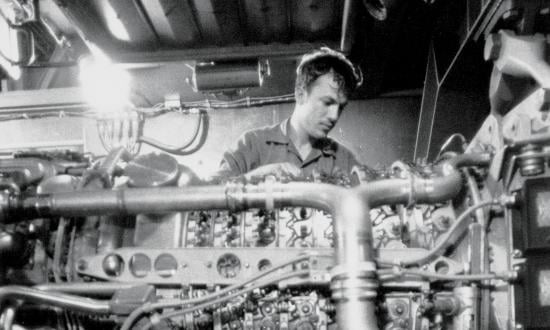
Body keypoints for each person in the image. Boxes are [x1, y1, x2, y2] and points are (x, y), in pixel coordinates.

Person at [219, 47, 363, 180]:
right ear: (300, 93)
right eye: (327, 102)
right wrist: (256, 177)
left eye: (341, 108)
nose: (334, 116)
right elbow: (207, 193)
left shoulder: (346, 160)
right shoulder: (251, 145)